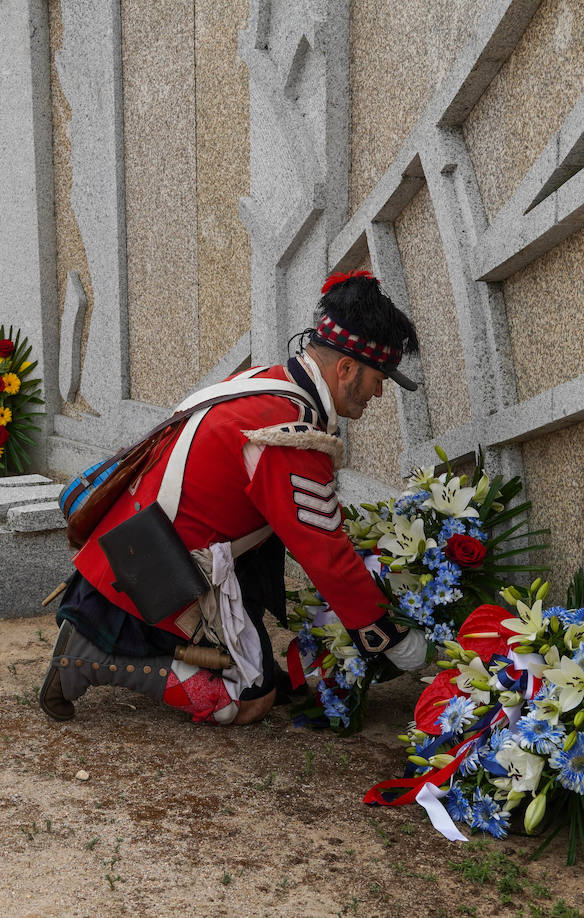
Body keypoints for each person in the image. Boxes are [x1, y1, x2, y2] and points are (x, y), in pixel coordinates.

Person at [41, 271, 429, 726]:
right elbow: (324, 553)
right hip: (155, 579)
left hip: (130, 550)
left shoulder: (266, 381)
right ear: (345, 370)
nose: (380, 392)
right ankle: (86, 657)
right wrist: (388, 636)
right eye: (378, 378)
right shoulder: (290, 432)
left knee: (261, 676)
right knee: (247, 701)